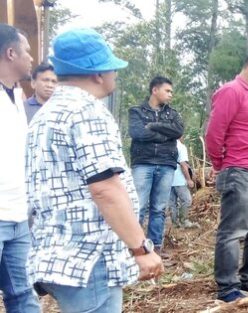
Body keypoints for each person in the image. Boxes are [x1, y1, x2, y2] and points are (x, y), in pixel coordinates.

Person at [26, 28, 163, 313]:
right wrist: (141, 248)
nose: (115, 73)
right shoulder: (87, 112)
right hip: (90, 257)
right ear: (98, 73)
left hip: (59, 253)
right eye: (111, 67)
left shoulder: (46, 114)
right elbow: (105, 188)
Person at [205, 48, 248, 302]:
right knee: (233, 230)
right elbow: (214, 132)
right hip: (240, 168)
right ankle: (227, 286)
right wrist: (219, 163)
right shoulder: (231, 91)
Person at [0, 23, 41, 313]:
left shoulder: (15, 97)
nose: (31, 58)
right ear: (10, 53)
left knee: (23, 295)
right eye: (27, 51)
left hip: (17, 217)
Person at [129, 76, 184, 256]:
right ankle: (135, 248)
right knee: (139, 206)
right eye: (167, 91)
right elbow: (137, 133)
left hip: (166, 163)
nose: (171, 95)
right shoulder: (136, 111)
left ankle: (155, 249)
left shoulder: (173, 114)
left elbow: (178, 131)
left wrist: (154, 126)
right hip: (143, 163)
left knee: (159, 208)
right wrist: (163, 135)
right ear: (155, 90)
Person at [169, 137, 197, 228]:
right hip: (179, 179)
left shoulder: (165, 145)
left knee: (172, 203)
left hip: (167, 179)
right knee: (187, 200)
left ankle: (174, 224)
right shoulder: (181, 147)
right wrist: (189, 179)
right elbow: (183, 165)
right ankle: (184, 221)